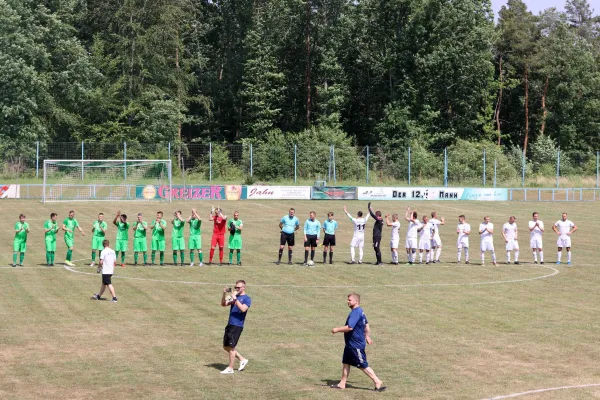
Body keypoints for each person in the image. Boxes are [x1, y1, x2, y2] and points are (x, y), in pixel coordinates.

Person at [330, 293, 386, 392]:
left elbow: (350, 327)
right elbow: (367, 326)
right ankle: (342, 383)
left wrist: (337, 329)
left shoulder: (355, 312)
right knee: (346, 362)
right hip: (350, 345)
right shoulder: (361, 311)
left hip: (355, 345)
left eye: (350, 300)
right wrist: (367, 336)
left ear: (356, 301)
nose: (348, 301)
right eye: (348, 300)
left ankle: (377, 381)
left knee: (362, 365)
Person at [220, 280, 251, 374]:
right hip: (230, 324)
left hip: (237, 325)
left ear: (243, 287)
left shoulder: (247, 298)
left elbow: (243, 309)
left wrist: (235, 299)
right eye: (236, 287)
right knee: (226, 346)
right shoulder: (234, 296)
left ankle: (230, 368)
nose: (236, 289)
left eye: (238, 287)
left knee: (232, 347)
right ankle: (242, 359)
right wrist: (224, 294)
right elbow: (223, 304)